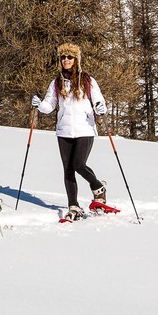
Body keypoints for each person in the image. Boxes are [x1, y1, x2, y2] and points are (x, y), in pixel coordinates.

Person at [33, 42, 110, 222]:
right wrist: (39, 105)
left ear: (76, 60)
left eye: (69, 57)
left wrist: (101, 108)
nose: (66, 60)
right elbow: (49, 105)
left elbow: (99, 102)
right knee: (68, 169)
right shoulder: (56, 82)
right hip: (64, 130)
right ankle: (73, 206)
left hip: (85, 128)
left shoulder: (88, 80)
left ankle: (98, 187)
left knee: (79, 164)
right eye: (63, 57)